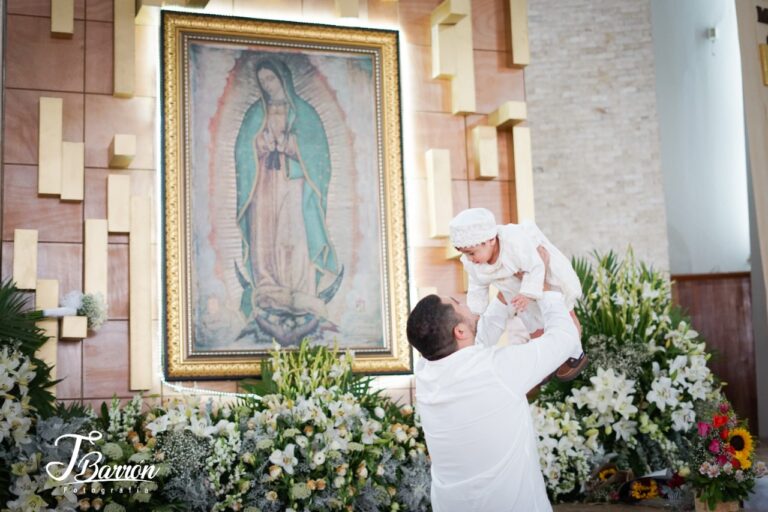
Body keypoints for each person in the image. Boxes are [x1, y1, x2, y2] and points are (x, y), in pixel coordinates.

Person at [406, 248, 580, 511]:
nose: (464, 302)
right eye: (457, 303)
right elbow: (566, 338)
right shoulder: (497, 370)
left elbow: (476, 338)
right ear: (459, 330)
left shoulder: (427, 372)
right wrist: (541, 284)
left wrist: (507, 290)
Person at [234, 56, 343, 342]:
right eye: (263, 81)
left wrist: (291, 146)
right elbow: (243, 150)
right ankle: (268, 287)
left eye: (271, 79)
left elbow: (319, 155)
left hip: (294, 185)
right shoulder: (255, 114)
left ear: (283, 79)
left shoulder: (304, 113)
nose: (268, 86)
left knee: (294, 235)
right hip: (264, 186)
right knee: (266, 236)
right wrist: (259, 144)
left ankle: (299, 289)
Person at [448, 207, 586, 380]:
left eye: (471, 253)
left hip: (541, 274)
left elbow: (536, 266)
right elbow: (477, 286)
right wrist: (476, 312)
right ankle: (545, 361)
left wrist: (528, 293)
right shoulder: (475, 263)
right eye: (465, 254)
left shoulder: (514, 244)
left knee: (563, 311)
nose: (469, 259)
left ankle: (576, 353)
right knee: (532, 323)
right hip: (513, 288)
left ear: (490, 240)